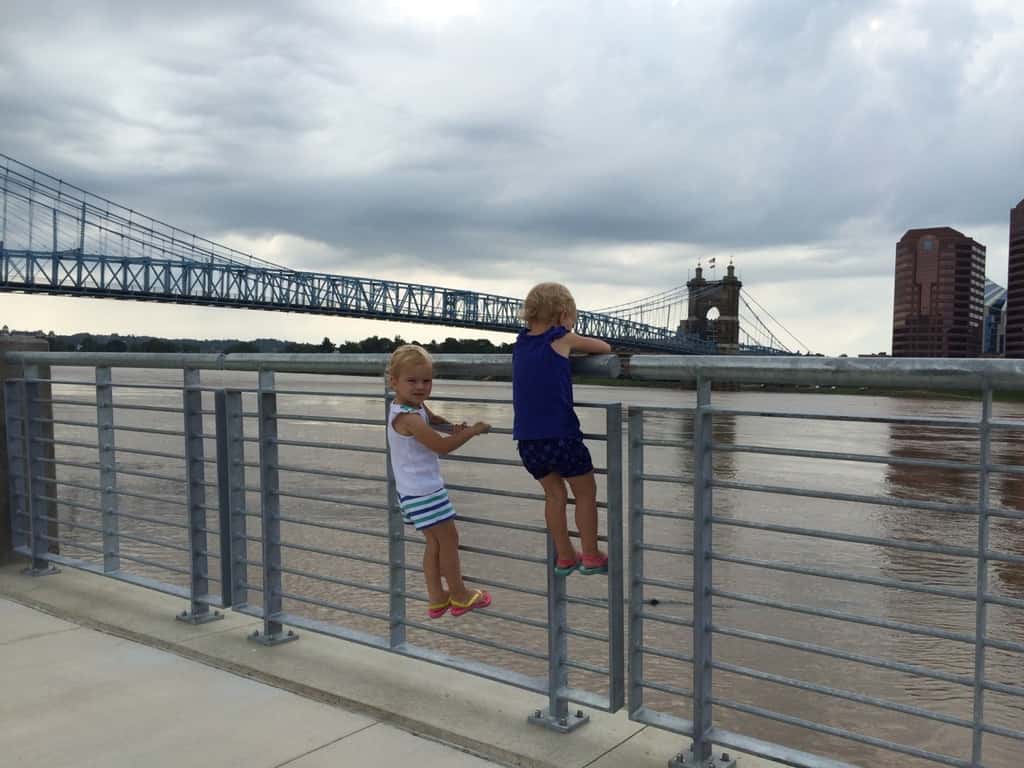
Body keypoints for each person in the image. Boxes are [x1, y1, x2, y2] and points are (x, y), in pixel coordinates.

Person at [512, 282, 612, 577]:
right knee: (585, 494)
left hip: (528, 442)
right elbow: (604, 348)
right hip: (562, 437)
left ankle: (565, 555)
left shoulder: (520, 342)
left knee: (554, 497)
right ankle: (591, 554)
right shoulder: (561, 338)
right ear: (564, 314)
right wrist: (570, 333)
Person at [386, 344, 492, 618]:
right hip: (425, 493)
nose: (421, 387)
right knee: (449, 541)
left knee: (435, 543)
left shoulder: (408, 406)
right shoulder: (409, 418)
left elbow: (433, 420)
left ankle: (436, 597)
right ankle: (460, 595)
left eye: (427, 380)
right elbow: (441, 447)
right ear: (393, 381)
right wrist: (472, 432)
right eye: (412, 381)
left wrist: (451, 427)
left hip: (412, 492)